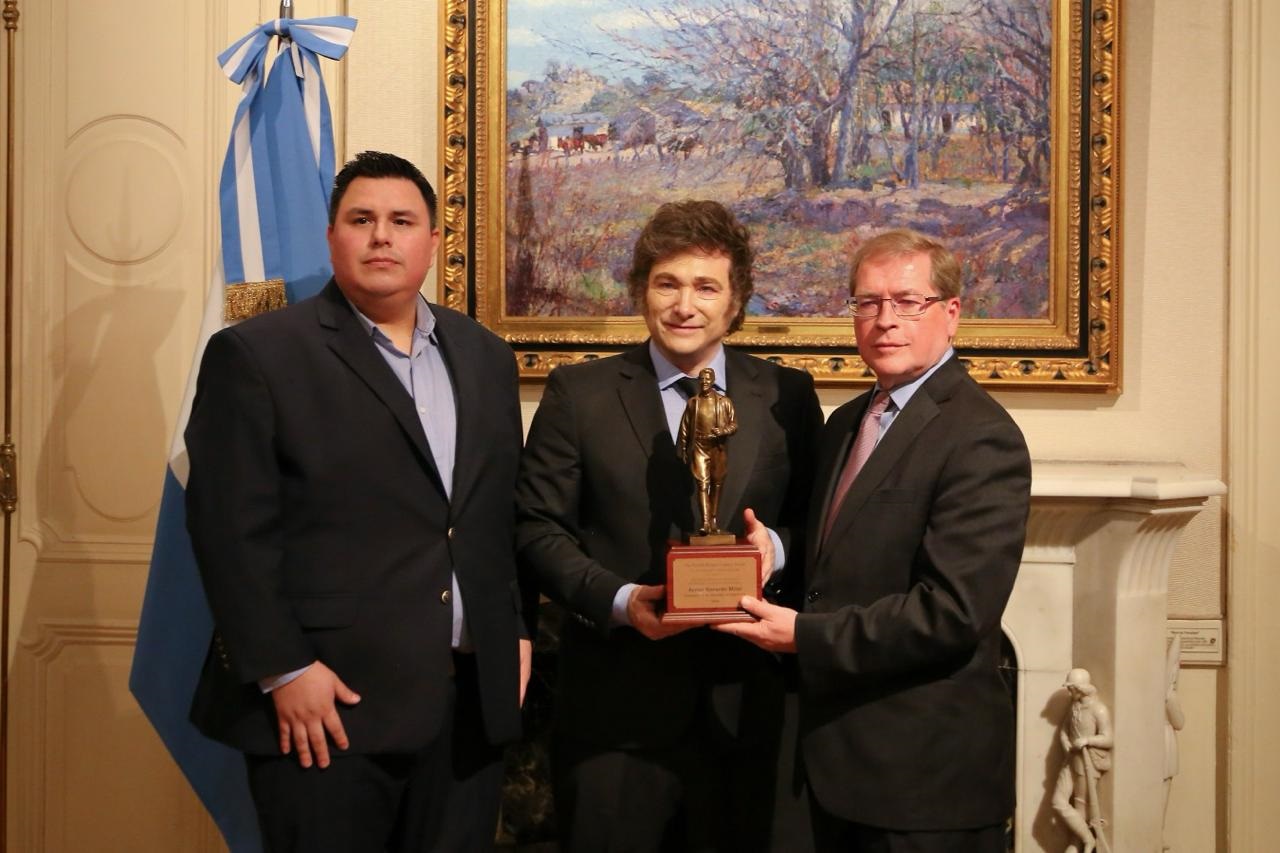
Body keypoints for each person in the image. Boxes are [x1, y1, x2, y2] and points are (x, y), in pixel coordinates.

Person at [185, 151, 531, 852]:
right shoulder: (256, 355)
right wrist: (282, 666)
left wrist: (514, 628)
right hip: (326, 709)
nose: (382, 236)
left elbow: (492, 516)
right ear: (331, 236)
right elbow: (229, 530)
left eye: (402, 221)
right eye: (361, 219)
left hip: (468, 704)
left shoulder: (487, 357)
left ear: (433, 241)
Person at [516, 200, 823, 851]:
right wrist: (625, 602)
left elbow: (815, 524)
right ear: (640, 291)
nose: (686, 304)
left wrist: (773, 547)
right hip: (614, 716)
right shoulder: (579, 393)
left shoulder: (788, 396)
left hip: (750, 712)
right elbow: (538, 529)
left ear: (735, 302)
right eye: (668, 283)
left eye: (706, 286)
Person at [717, 228, 1032, 852]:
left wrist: (801, 635)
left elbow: (952, 613)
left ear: (950, 314)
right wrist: (776, 549)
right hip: (825, 761)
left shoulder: (981, 437)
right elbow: (845, 543)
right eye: (868, 303)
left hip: (921, 782)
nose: (885, 320)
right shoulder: (846, 422)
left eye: (907, 302)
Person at [1052, 669, 1114, 853]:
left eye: (1072, 688)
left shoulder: (1098, 709)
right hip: (1071, 761)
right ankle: (1088, 838)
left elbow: (1108, 738)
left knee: (1081, 805)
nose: (1070, 693)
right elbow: (1064, 730)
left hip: (1088, 764)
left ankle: (1076, 843)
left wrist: (1087, 740)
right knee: (1058, 801)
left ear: (1082, 688)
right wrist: (1065, 742)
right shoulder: (1074, 706)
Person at [677, 367, 737, 534]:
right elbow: (685, 427)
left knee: (716, 485)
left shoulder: (724, 402)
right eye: (701, 379)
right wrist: (683, 448)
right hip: (699, 447)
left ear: (713, 381)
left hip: (717, 448)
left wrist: (723, 431)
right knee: (702, 485)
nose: (704, 382)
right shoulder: (693, 403)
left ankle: (714, 519)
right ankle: (704, 522)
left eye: (707, 379)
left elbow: (734, 425)